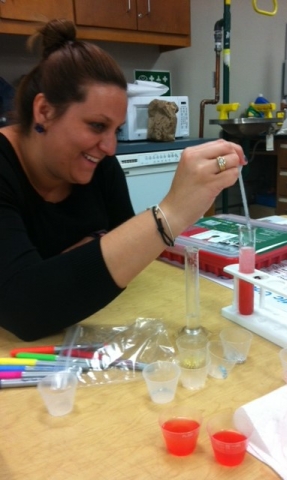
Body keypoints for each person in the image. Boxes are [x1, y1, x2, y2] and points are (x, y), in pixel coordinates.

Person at [0, 19, 245, 341]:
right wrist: (171, 214)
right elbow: (26, 309)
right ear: (44, 111)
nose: (109, 147)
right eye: (97, 126)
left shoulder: (102, 168)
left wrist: (61, 267)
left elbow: (125, 246)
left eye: (115, 130)